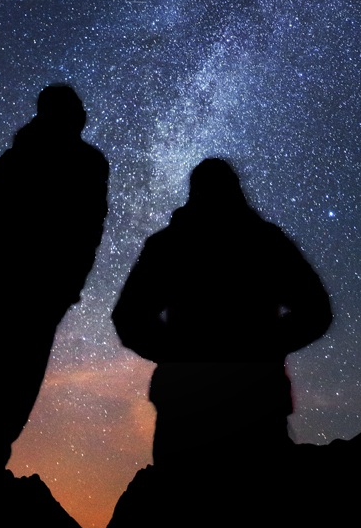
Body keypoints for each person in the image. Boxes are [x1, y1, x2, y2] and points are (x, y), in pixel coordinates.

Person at [112, 157, 332, 466]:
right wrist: (264, 346)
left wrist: (177, 353)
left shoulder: (168, 246)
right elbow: (316, 311)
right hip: (255, 398)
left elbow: (129, 318)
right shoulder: (266, 243)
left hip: (187, 402)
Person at [0, 84, 108, 473]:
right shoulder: (85, 165)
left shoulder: (14, 160)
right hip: (26, 303)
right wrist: (54, 289)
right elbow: (85, 237)